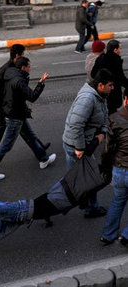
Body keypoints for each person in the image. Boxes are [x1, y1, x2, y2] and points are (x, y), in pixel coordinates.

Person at [0, 156, 109, 245]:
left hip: (23, 216)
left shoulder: (64, 184)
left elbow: (48, 207)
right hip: (22, 211)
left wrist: (46, 220)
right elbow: (84, 197)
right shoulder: (71, 199)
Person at [0, 44, 50, 169]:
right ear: (17, 56)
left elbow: (20, 92)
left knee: (26, 130)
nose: (24, 57)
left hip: (14, 107)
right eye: (22, 54)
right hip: (4, 108)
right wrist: (8, 97)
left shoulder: (15, 68)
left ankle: (41, 152)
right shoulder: (6, 69)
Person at [63, 68, 114, 218]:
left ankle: (83, 202)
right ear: (100, 85)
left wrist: (102, 132)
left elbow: (104, 115)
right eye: (110, 85)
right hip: (77, 146)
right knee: (88, 179)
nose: (113, 88)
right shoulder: (88, 99)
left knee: (76, 179)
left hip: (80, 143)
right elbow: (75, 124)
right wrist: (79, 148)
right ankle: (89, 207)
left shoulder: (99, 95)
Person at [100, 89, 128, 246]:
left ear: (125, 100)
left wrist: (107, 172)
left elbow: (108, 149)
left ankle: (108, 235)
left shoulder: (114, 119)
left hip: (118, 170)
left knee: (117, 201)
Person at [91, 39, 128, 115]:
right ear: (115, 50)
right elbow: (120, 77)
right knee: (112, 111)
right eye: (119, 48)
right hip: (113, 91)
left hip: (101, 91)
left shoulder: (101, 58)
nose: (120, 50)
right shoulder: (116, 60)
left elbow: (93, 74)